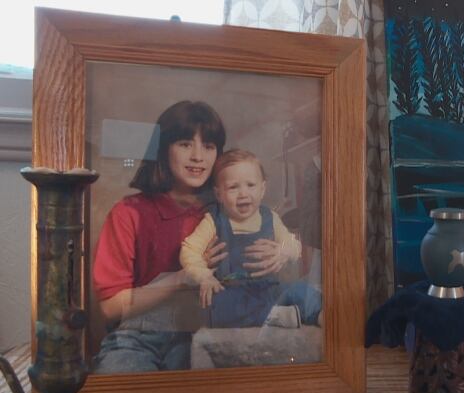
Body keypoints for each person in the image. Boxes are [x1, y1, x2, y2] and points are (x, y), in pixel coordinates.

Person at [91, 100, 234, 374]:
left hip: (206, 332)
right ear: (163, 149)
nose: (198, 156)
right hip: (139, 338)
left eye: (208, 146)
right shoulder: (129, 213)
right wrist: (182, 278)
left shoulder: (226, 213)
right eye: (184, 144)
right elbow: (110, 308)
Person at [179, 149, 322, 328]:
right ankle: (273, 315)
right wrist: (204, 276)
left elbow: (294, 245)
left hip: (270, 288)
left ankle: (320, 315)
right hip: (231, 291)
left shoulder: (270, 217)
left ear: (262, 189)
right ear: (219, 195)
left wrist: (283, 251)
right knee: (215, 305)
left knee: (302, 290)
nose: (243, 194)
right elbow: (189, 249)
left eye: (250, 185)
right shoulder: (214, 221)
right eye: (233, 187)